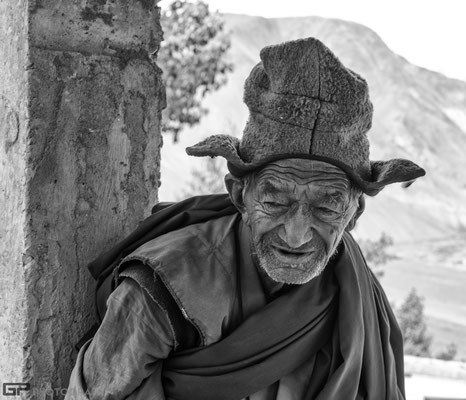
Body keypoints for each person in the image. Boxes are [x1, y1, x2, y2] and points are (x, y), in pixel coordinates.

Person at [66, 37, 425, 400]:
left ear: (353, 214)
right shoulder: (167, 288)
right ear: (241, 195)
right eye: (275, 202)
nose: (297, 235)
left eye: (326, 208)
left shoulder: (353, 293)